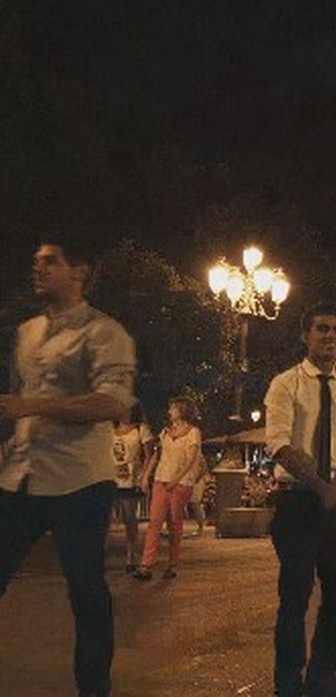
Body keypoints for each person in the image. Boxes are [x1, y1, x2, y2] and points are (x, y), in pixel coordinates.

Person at [0, 237, 136, 697]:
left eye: (50, 261)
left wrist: (32, 406)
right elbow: (17, 403)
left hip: (79, 482)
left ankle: (94, 688)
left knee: (85, 589)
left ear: (78, 272)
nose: (37, 268)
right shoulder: (26, 333)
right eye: (35, 261)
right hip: (20, 476)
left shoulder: (104, 333)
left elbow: (113, 403)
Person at [263, 304, 336, 697]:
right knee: (295, 595)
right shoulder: (285, 384)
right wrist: (320, 486)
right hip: (297, 501)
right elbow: (279, 444)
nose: (330, 336)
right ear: (305, 335)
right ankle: (288, 684)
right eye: (322, 328)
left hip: (335, 504)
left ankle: (322, 675)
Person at [135, 397, 203, 580]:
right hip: (161, 480)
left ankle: (172, 564)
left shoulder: (193, 433)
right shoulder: (165, 432)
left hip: (181, 483)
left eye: (173, 408)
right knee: (154, 522)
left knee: (174, 524)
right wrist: (146, 475)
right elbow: (157, 455)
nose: (170, 411)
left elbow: (191, 460)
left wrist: (176, 479)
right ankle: (146, 565)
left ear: (183, 410)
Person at [112, 404, 155, 573]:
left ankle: (131, 556)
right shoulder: (110, 427)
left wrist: (144, 476)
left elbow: (149, 455)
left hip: (130, 478)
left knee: (129, 517)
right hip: (109, 476)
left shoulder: (140, 429)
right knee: (102, 516)